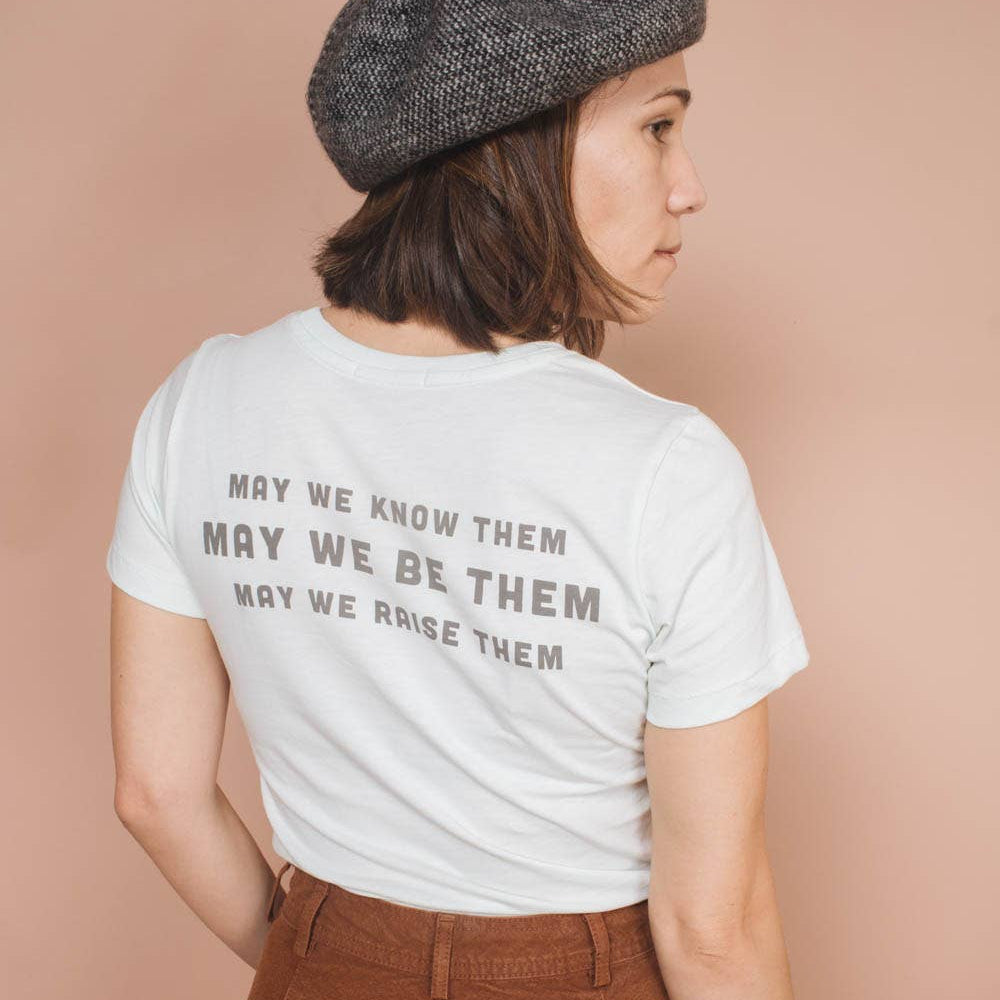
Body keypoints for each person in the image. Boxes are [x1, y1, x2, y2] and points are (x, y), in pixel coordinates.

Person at [106, 2, 810, 998]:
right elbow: (710, 929)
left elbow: (158, 796)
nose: (688, 187)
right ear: (517, 144)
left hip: (323, 961)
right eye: (657, 127)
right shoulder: (666, 467)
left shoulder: (200, 404)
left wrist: (324, 960)